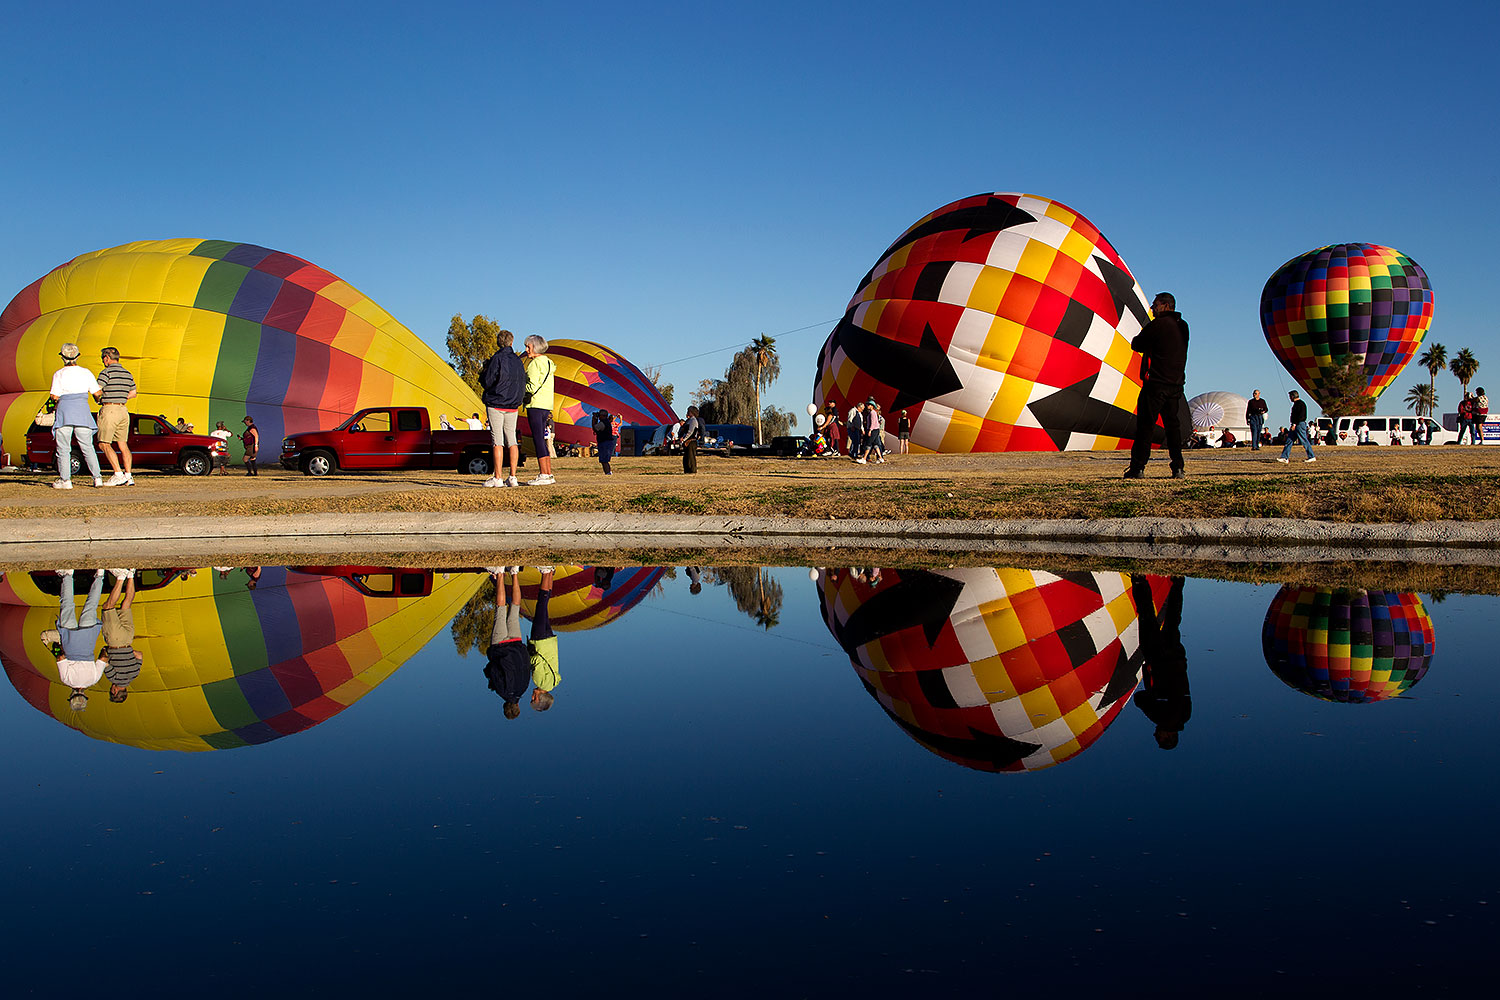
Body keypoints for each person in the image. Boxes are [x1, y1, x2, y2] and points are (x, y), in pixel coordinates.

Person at [1123, 293, 1189, 479]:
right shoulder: (1183, 326)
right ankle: (1178, 467)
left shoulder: (1158, 325)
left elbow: (1137, 343)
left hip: (1155, 385)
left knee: (1145, 426)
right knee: (1173, 427)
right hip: (1175, 385)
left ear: (1166, 306)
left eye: (1156, 305)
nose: (1152, 308)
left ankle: (1138, 468)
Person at [1131, 575, 1190, 750]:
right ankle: (1139, 579)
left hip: (1177, 660)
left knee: (1173, 621)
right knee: (1147, 615)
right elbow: (1139, 699)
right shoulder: (1160, 717)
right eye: (1159, 737)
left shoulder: (1185, 716)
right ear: (1168, 736)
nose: (1155, 734)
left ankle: (1178, 582)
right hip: (1157, 660)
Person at [40, 568, 107, 711]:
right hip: (69, 639)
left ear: (84, 696)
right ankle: (68, 575)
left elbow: (103, 658)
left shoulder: (93, 680)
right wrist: (58, 647)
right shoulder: (66, 680)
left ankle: (100, 576)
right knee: (67, 605)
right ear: (72, 695)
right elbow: (61, 658)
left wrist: (103, 650)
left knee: (91, 605)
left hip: (88, 639)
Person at [48, 342, 104, 489]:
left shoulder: (58, 374)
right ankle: (97, 477)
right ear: (77, 356)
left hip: (65, 411)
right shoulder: (86, 372)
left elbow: (54, 396)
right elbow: (97, 393)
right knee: (87, 447)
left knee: (63, 449)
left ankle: (65, 480)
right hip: (82, 411)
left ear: (63, 357)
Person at [478, 329, 526, 487]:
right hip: (513, 405)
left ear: (498, 342)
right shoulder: (518, 361)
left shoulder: (496, 359)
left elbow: (488, 381)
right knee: (512, 440)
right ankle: (513, 477)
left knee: (497, 441)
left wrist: (483, 373)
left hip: (496, 403)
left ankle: (497, 477)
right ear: (512, 342)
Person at [483, 568, 529, 720]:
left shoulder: (524, 687)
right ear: (505, 707)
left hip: (516, 644)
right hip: (500, 646)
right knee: (500, 610)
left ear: (518, 708)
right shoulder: (502, 690)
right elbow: (494, 670)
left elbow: (527, 665)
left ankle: (514, 573)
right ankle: (500, 573)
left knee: (515, 609)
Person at [95, 346, 137, 486]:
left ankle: (118, 473)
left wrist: (99, 399)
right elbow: (133, 393)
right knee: (122, 444)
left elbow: (97, 391)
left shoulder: (106, 372)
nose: (103, 361)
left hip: (110, 409)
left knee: (104, 443)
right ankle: (128, 475)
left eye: (103, 358)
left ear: (107, 358)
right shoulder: (127, 373)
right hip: (123, 410)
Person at [100, 568, 141, 703]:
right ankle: (120, 578)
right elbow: (104, 661)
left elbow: (139, 655)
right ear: (115, 691)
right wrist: (104, 653)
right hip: (114, 641)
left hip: (128, 639)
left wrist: (128, 653)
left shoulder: (134, 674)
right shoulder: (113, 678)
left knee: (126, 604)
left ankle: (131, 575)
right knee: (108, 607)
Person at [521, 335, 557, 485]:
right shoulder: (549, 363)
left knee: (537, 439)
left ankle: (543, 474)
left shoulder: (535, 364)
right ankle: (548, 473)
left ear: (535, 347)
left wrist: (521, 390)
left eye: (528, 347)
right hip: (546, 404)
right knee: (542, 439)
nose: (526, 350)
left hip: (535, 404)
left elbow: (532, 386)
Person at [529, 567, 558, 712]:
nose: (532, 695)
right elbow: (537, 661)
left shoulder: (554, 683)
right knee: (541, 604)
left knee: (545, 607)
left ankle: (550, 574)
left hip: (550, 642)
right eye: (533, 698)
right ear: (539, 698)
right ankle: (546, 572)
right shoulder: (540, 681)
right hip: (539, 641)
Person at [1277, 390, 1315, 463]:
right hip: (1295, 424)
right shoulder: (1297, 404)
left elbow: (1300, 416)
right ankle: (1285, 457)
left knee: (1304, 440)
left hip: (1299, 425)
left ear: (1292, 396)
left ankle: (1311, 456)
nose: (1289, 398)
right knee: (1289, 440)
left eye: (1290, 397)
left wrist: (1294, 424)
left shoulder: (1300, 404)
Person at [592, 408, 617, 474]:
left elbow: (595, 428)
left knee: (604, 460)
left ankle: (608, 473)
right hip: (606, 442)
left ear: (603, 416)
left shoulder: (603, 423)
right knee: (604, 460)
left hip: (604, 442)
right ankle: (608, 472)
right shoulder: (607, 422)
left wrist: (594, 420)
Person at [680, 405, 704, 473]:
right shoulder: (689, 420)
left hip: (691, 441)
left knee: (691, 457)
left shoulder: (693, 420)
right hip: (687, 441)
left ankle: (692, 470)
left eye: (688, 411)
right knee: (686, 457)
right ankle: (687, 470)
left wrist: (684, 439)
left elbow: (690, 431)